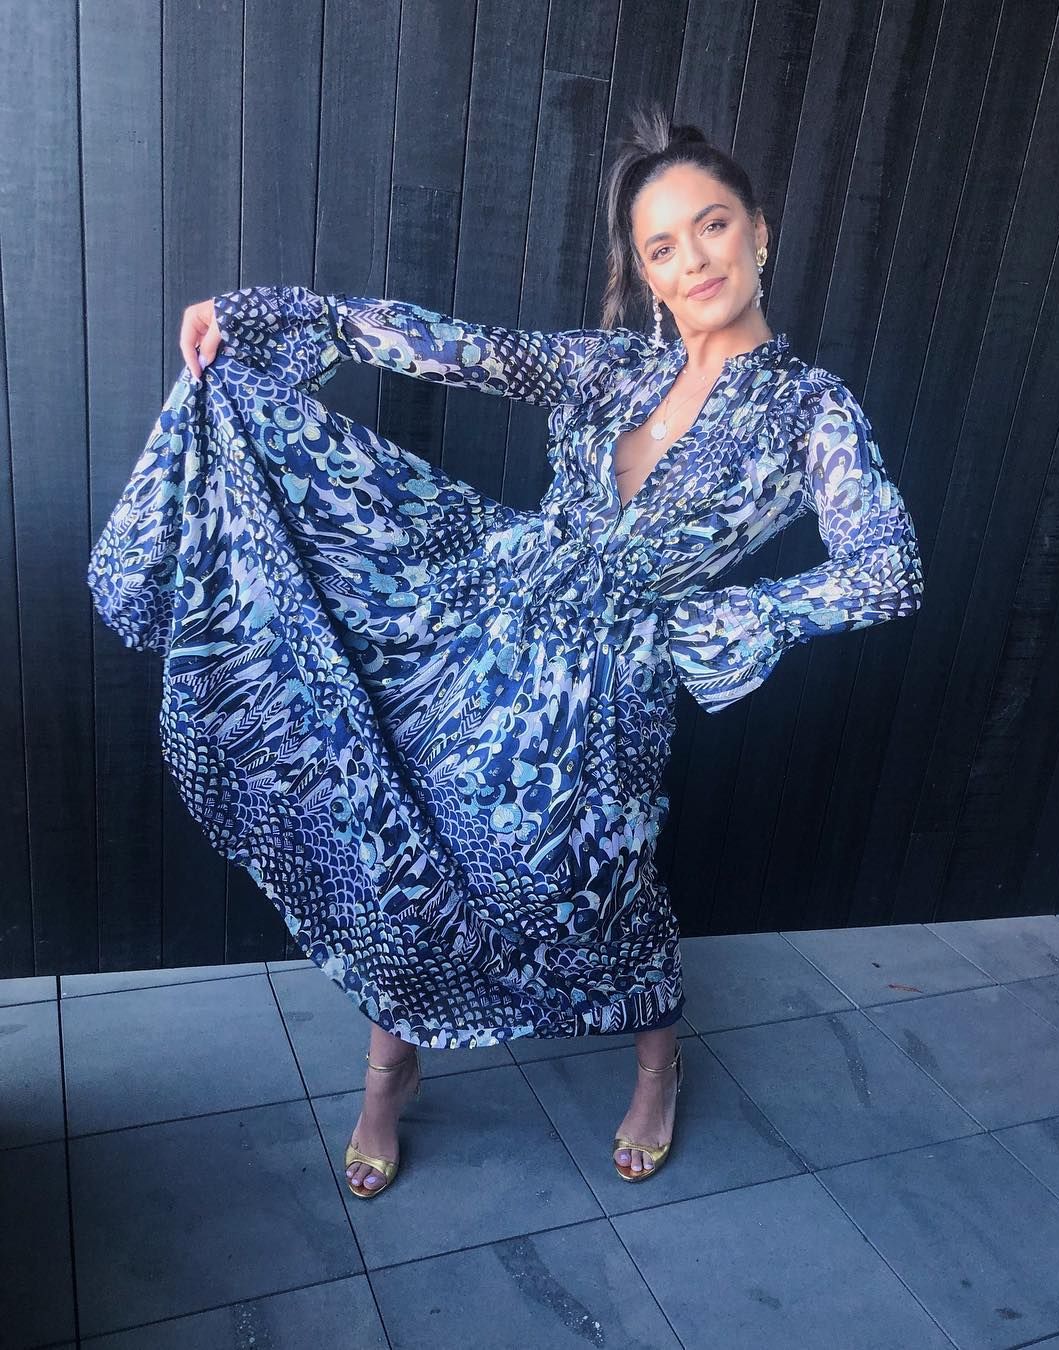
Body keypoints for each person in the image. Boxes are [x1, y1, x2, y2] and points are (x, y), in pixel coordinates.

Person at [88, 104, 923, 1199]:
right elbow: (459, 349)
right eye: (661, 246)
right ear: (645, 273)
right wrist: (277, 316)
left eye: (712, 226)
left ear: (759, 232)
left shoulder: (812, 411)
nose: (693, 260)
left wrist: (744, 620)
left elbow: (887, 566)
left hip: (606, 693)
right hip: (478, 635)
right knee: (407, 851)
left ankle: (657, 1066)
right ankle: (389, 1074)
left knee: (603, 888)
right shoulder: (610, 369)